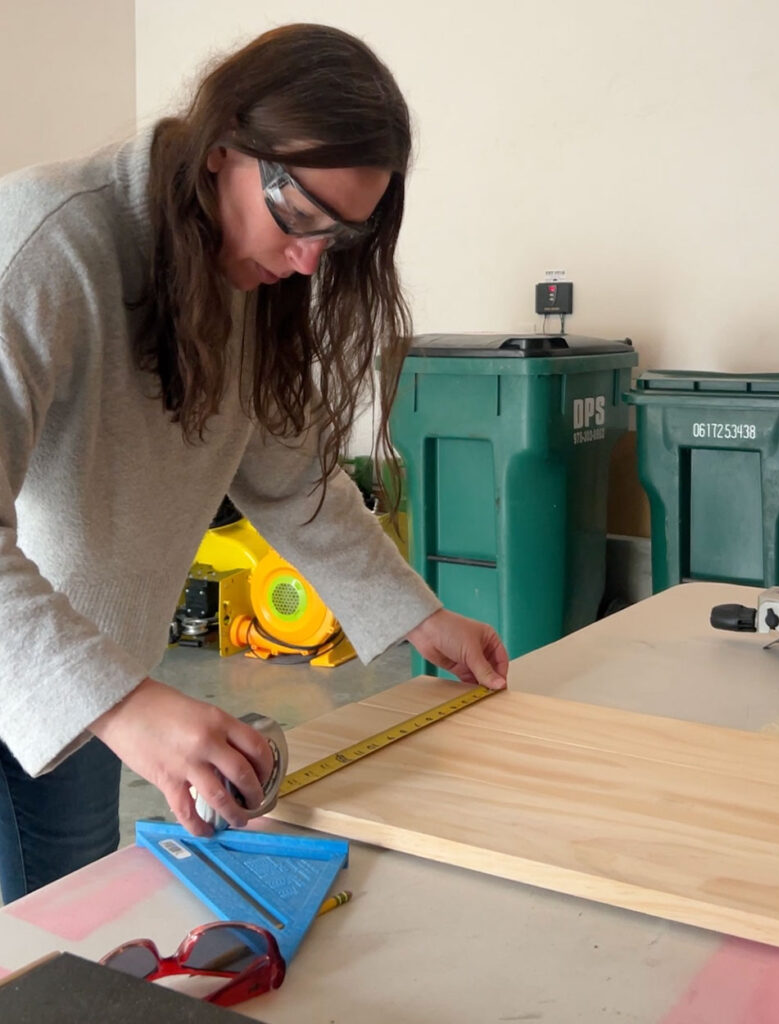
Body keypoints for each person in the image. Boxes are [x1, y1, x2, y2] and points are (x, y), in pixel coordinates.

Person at [0, 23, 508, 904]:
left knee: (64, 923)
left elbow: (292, 478)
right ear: (220, 151)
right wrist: (130, 707)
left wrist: (419, 617)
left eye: (340, 237)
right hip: (53, 669)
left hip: (91, 678)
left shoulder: (241, 277)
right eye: (300, 217)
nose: (309, 258)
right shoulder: (46, 243)